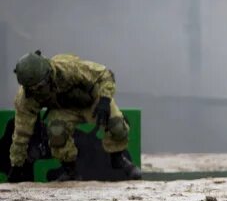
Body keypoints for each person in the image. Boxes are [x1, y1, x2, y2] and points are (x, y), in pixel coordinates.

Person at [6, 51, 141, 182]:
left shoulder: (67, 68)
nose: (39, 91)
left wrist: (104, 99)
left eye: (41, 86)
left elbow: (105, 74)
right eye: (33, 89)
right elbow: (21, 133)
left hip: (92, 103)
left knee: (116, 124)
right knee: (56, 130)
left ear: (48, 75)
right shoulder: (26, 99)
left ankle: (118, 158)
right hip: (64, 110)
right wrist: (16, 165)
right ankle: (70, 170)